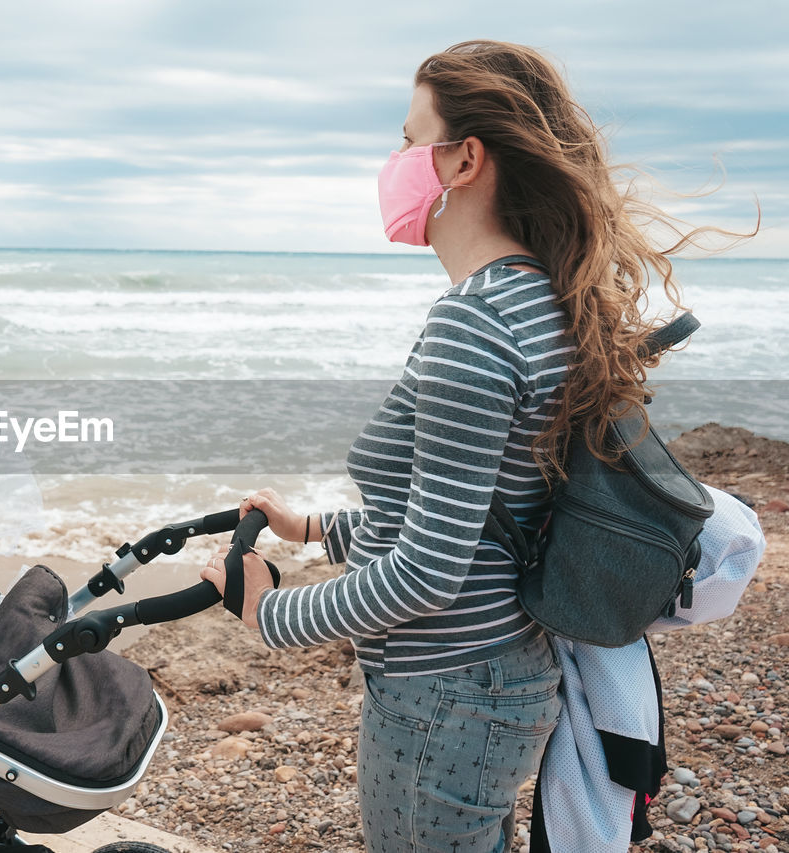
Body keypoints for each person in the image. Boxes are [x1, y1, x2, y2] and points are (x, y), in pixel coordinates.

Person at [199, 40, 752, 853]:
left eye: (407, 137)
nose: (393, 160)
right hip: (492, 678)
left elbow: (430, 568)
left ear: (464, 160)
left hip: (445, 691)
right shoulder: (541, 299)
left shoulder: (474, 321)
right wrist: (315, 529)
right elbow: (494, 507)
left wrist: (268, 611)